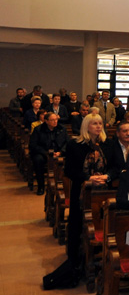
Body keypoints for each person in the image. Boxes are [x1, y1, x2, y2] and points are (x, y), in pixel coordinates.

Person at [65, 113, 111, 276]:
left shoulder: (107, 144)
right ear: (86, 126)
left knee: (102, 223)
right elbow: (69, 170)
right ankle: (76, 259)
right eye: (94, 124)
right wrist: (88, 178)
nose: (98, 126)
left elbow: (115, 166)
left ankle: (100, 257)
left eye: (100, 123)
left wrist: (106, 176)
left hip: (104, 191)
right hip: (82, 191)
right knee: (78, 224)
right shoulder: (75, 145)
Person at [29, 112, 67, 195]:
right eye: (52, 120)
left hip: (59, 152)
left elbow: (67, 143)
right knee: (38, 160)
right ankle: (41, 186)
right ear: (46, 121)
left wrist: (61, 152)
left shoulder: (62, 129)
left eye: (56, 119)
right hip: (43, 153)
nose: (55, 121)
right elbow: (33, 145)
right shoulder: (38, 129)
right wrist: (46, 153)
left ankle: (65, 187)